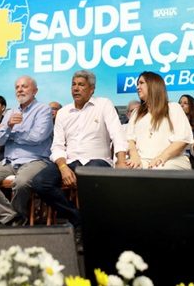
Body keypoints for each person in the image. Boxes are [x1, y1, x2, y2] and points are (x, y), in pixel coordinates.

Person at [31, 70, 127, 232]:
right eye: (73, 85)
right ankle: (78, 219)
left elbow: (117, 134)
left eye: (81, 85)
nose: (76, 88)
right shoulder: (63, 112)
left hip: (98, 160)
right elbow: (57, 146)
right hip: (70, 161)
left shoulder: (103, 104)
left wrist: (122, 161)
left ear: (92, 89)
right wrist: (62, 167)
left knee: (93, 177)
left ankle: (95, 226)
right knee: (40, 182)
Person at [0, 75, 53, 226]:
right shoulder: (10, 114)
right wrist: (9, 126)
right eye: (17, 87)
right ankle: (13, 217)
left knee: (21, 182)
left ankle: (17, 219)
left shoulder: (43, 109)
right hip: (10, 161)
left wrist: (11, 135)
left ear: (35, 90)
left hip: (35, 160)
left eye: (24, 86)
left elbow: (38, 136)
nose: (20, 90)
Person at [126, 72, 193, 170]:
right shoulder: (136, 112)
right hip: (143, 161)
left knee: (157, 170)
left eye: (141, 83)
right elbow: (129, 139)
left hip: (171, 160)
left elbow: (182, 139)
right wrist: (134, 156)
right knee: (124, 169)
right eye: (137, 84)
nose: (137, 87)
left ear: (153, 85)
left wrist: (161, 157)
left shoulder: (173, 108)